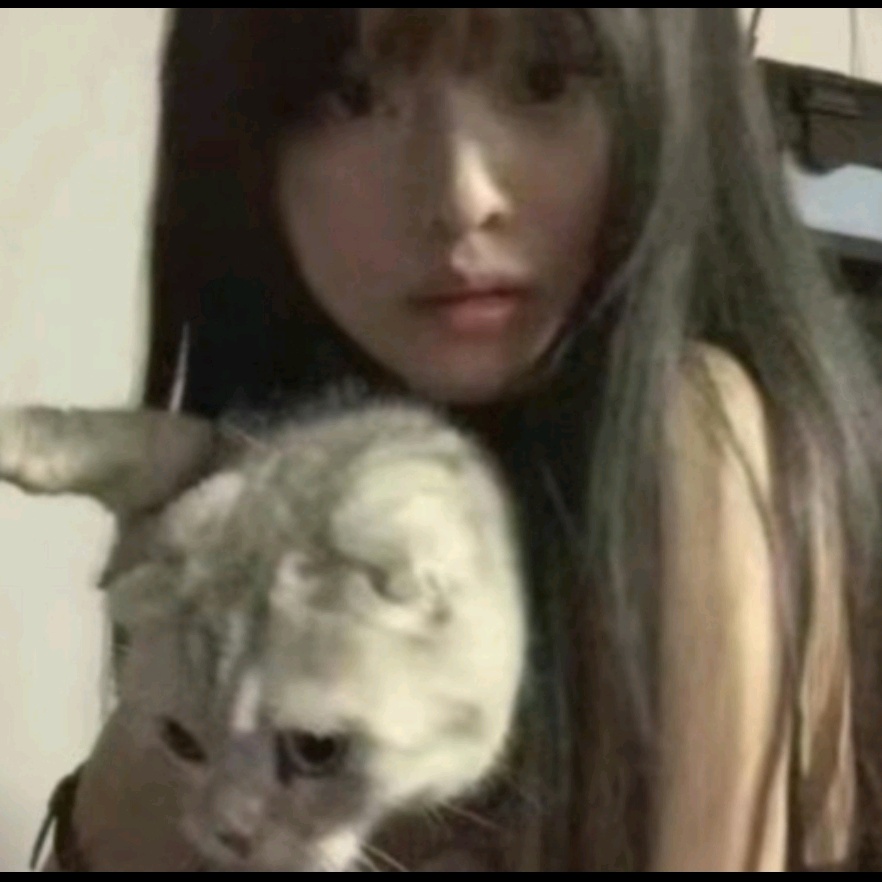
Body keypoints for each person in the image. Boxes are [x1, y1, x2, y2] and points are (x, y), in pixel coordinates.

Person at [35, 8, 882, 872]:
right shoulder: (301, 471)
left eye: (544, 80)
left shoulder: (699, 436)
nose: (458, 197)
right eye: (349, 94)